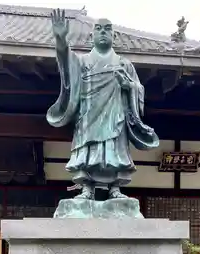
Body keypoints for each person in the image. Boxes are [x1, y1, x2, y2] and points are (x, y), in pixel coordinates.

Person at [47, 10, 159, 200]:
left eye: (107, 29)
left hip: (115, 114)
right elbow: (66, 63)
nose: (103, 32)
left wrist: (128, 86)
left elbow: (138, 89)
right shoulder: (82, 61)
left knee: (114, 151)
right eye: (98, 29)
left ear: (114, 36)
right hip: (88, 114)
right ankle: (87, 188)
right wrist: (61, 40)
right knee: (88, 152)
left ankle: (115, 188)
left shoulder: (124, 64)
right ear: (92, 36)